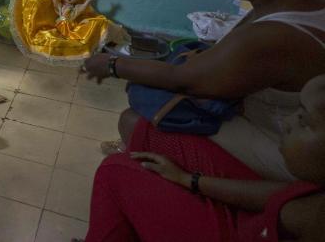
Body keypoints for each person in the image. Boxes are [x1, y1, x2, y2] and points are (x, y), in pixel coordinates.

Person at [82, 0, 325, 181]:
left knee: (133, 121)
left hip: (289, 155)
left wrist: (111, 65)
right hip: (274, 122)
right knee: (176, 64)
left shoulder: (274, 36)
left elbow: (185, 81)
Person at [78, 73, 325, 241]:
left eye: (304, 121)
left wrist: (113, 65)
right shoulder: (305, 195)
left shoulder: (314, 218)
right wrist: (190, 180)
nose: (289, 123)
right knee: (149, 132)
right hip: (257, 214)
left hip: (243, 231)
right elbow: (280, 196)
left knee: (115, 171)